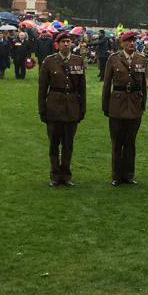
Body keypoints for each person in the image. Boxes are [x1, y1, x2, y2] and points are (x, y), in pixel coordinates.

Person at [38, 32, 87, 187]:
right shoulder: (49, 61)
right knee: (54, 143)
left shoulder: (78, 60)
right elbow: (42, 89)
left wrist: (82, 109)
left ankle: (65, 175)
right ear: (57, 45)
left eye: (69, 42)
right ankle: (54, 175)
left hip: (71, 107)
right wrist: (42, 110)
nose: (67, 44)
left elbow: (82, 88)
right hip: (53, 107)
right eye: (63, 42)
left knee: (68, 144)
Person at [102, 31, 147, 186]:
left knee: (130, 142)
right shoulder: (114, 59)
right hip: (117, 103)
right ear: (122, 43)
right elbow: (107, 84)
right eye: (128, 41)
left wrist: (143, 104)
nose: (131, 44)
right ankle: (116, 175)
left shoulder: (141, 59)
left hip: (134, 104)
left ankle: (128, 174)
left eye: (134, 41)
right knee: (117, 142)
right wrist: (105, 106)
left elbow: (143, 85)